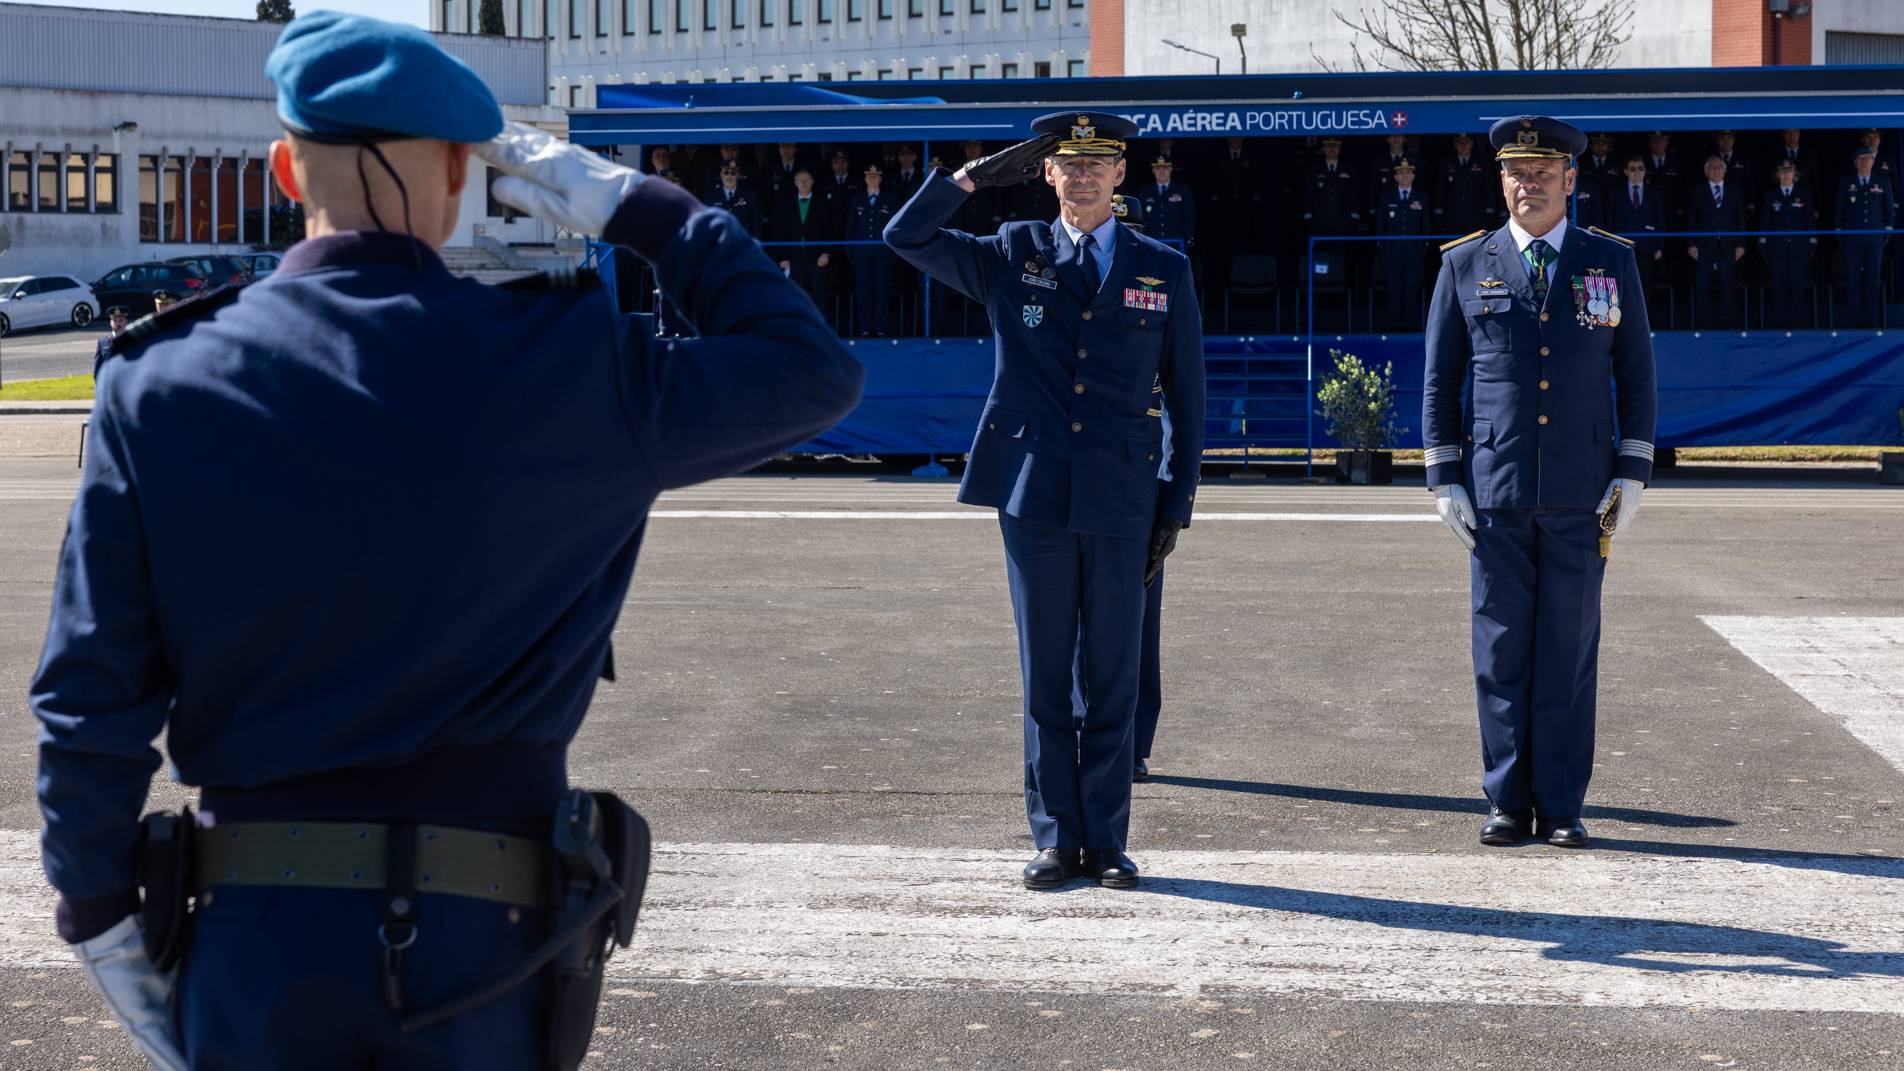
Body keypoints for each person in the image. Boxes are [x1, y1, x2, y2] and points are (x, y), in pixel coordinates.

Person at [33, 12, 862, 1070]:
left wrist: (100, 915)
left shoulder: (158, 386)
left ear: (288, 171)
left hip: (257, 941)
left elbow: (88, 696)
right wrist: (636, 209)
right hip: (491, 950)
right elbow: (811, 372)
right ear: (471, 174)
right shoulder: (568, 366)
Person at [885, 110, 1205, 890]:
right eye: (1070, 162)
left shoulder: (1163, 265)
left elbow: (1189, 399)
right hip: (1032, 489)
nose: (1086, 174)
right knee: (1047, 673)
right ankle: (1058, 836)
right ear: (1048, 173)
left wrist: (1177, 504)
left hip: (1126, 495)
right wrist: (970, 177)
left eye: (1101, 162)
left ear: (1121, 173)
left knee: (1114, 671)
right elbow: (905, 236)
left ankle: (1109, 840)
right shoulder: (1011, 252)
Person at [1422, 115, 1656, 851]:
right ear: (1502, 181)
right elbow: (1440, 380)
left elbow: (1636, 372)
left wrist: (1633, 469)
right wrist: (1443, 476)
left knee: (1568, 649)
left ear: (1570, 180)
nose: (1531, 184)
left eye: (1544, 172)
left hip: (1582, 489)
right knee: (1500, 651)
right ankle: (1506, 800)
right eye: (1518, 172)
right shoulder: (1465, 263)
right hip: (1494, 487)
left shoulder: (1608, 260)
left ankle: (1560, 804)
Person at [1837, 144, 1894, 328]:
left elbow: (1889, 207)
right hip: (1852, 238)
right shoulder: (1846, 182)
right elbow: (1839, 209)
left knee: (1872, 278)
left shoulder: (1882, 181)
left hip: (1874, 238)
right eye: (1860, 159)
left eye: (1867, 159)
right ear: (1855, 163)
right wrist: (1839, 231)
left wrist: (1887, 229)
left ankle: (1871, 319)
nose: (1864, 162)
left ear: (1873, 161)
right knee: (1852, 279)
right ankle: (1854, 319)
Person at [767, 166, 835, 318]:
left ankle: (820, 331)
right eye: (800, 181)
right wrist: (782, 257)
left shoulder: (822, 203)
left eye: (806, 180)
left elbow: (829, 230)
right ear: (795, 182)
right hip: (793, 259)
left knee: (819, 297)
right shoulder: (786, 205)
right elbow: (780, 232)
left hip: (816, 259)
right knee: (794, 296)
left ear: (812, 182)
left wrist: (826, 254)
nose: (803, 183)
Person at [1686, 155, 1746, 329]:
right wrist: (1691, 244)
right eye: (1712, 167)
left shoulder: (1735, 191)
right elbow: (1691, 219)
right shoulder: (1698, 192)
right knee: (1702, 287)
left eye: (1719, 167)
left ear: (1725, 170)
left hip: (1728, 246)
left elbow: (1740, 219)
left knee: (1727, 286)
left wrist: (1742, 244)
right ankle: (1702, 325)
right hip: (1704, 247)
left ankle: (1727, 325)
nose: (1716, 170)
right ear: (1706, 172)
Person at [1759, 158, 1816, 330]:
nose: (1786, 175)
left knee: (1797, 285)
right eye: (1782, 172)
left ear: (1794, 174)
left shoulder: (1804, 194)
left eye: (1789, 171)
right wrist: (1762, 242)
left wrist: (1813, 241)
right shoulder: (1770, 195)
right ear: (1778, 175)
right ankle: (1779, 323)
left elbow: (1809, 221)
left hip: (1799, 247)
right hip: (1777, 248)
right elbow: (1765, 220)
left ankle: (1798, 323)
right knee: (1779, 286)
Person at [1374, 158, 1431, 329]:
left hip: (1414, 251)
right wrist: (1381, 246)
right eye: (1401, 173)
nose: (1404, 176)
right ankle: (1394, 323)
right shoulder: (1386, 198)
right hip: (1392, 251)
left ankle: (1410, 322)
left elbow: (1426, 225)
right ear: (1396, 177)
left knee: (1411, 286)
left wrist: (1424, 246)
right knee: (1394, 287)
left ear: (1413, 176)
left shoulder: (1421, 198)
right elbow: (1380, 225)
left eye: (1408, 172)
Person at [1604, 157, 1665, 292]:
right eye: (1632, 169)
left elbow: (1659, 219)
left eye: (1640, 168)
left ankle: (1644, 314)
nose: (1637, 172)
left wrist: (1659, 246)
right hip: (1622, 245)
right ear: (1626, 171)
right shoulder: (1615, 192)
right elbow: (1609, 220)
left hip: (1647, 246)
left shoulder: (1654, 192)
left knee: (1644, 286)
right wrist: (1609, 244)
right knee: (1622, 285)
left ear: (1645, 171)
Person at [849, 164, 896, 336]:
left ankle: (881, 328)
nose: (873, 179)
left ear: (880, 179)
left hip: (882, 254)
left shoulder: (889, 199)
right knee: (863, 291)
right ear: (865, 179)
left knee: (882, 291)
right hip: (861, 254)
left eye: (876, 176)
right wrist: (850, 251)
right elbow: (851, 227)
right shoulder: (857, 199)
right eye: (869, 176)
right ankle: (865, 329)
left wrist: (892, 253)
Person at [1435, 132, 1501, 239]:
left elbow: (1489, 187)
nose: (1463, 145)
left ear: (1472, 144)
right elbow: (1440, 188)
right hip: (1452, 212)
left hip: (1476, 212)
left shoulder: (1482, 163)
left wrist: (1490, 208)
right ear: (1455, 145)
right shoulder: (1446, 163)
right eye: (1460, 143)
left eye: (1466, 143)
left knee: (1475, 242)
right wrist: (1438, 209)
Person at [1137, 155, 1195, 249]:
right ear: (1153, 170)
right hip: (1152, 243)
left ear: (1171, 169)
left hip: (1176, 243)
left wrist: (1188, 238)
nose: (1161, 172)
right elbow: (1139, 219)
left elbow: (1189, 217)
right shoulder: (1145, 192)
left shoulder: (1182, 191)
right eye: (1158, 168)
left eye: (1165, 168)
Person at [704, 160, 760, 235]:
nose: (729, 176)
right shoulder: (711, 196)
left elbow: (756, 221)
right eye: (726, 173)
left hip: (742, 242)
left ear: (738, 175)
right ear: (721, 175)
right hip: (720, 243)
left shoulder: (749, 194)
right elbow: (707, 221)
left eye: (733, 173)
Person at [92, 306, 130, 379]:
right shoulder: (103, 342)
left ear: (126, 321)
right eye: (115, 320)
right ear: (110, 322)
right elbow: (97, 370)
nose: (118, 323)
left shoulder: (133, 339)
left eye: (121, 320)